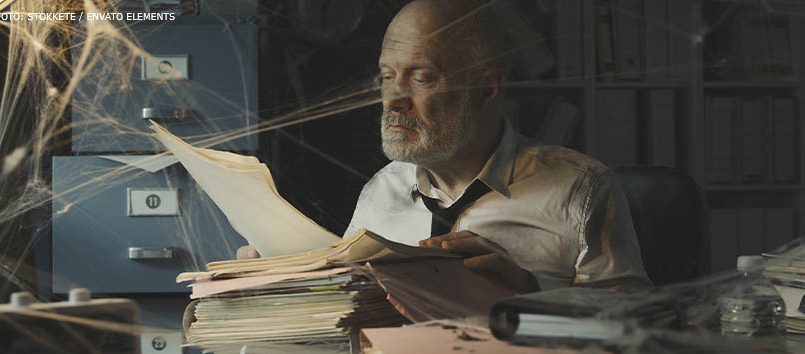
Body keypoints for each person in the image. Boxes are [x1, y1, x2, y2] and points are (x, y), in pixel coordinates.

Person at [240, 0, 652, 292]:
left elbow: (635, 319)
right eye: (387, 76)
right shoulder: (381, 190)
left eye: (421, 77)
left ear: (487, 88)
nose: (393, 99)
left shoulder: (581, 189)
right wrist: (278, 281)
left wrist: (530, 289)